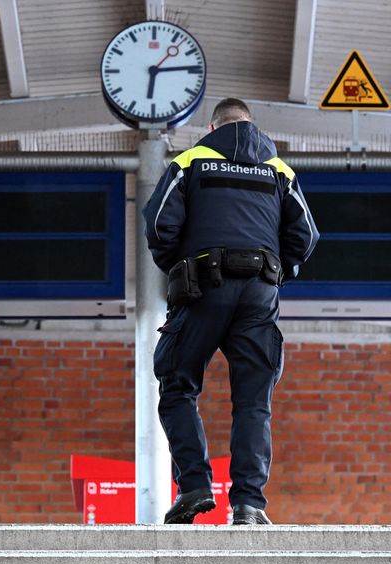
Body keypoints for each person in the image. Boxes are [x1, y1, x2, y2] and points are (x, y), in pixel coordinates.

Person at [142, 98, 319, 525]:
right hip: (260, 295)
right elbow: (306, 235)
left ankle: (196, 486)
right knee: (253, 401)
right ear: (251, 125)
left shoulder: (190, 161)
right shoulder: (280, 170)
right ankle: (248, 503)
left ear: (211, 127)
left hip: (203, 288)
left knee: (178, 385)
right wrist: (277, 274)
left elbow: (158, 224)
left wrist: (180, 269)